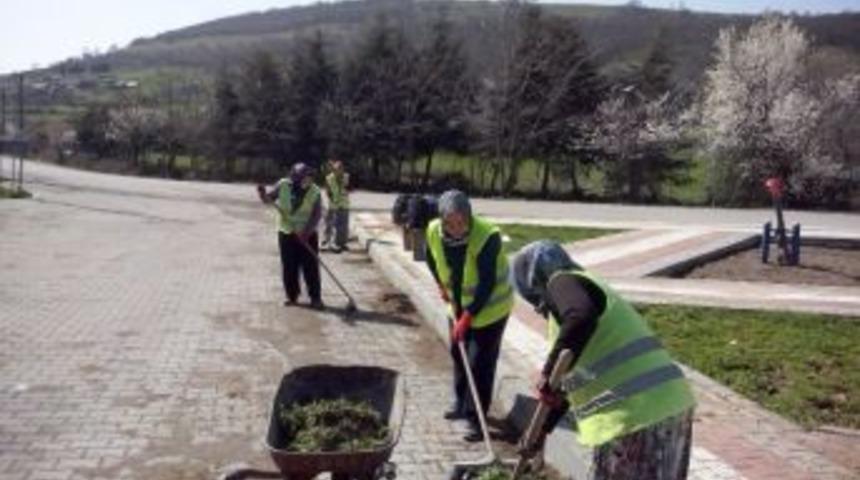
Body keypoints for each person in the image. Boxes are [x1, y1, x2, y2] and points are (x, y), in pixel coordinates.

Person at [511, 240, 696, 480]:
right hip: (668, 407)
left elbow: (580, 317)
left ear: (532, 280)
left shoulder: (562, 280)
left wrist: (546, 375)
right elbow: (572, 381)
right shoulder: (585, 291)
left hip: (635, 417)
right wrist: (541, 431)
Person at [424, 190, 514, 443]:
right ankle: (460, 402)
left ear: (469, 217)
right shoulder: (434, 230)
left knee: (479, 364)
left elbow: (486, 282)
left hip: (492, 309)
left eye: (460, 222)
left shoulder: (486, 237)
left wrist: (469, 316)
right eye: (449, 223)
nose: (455, 229)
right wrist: (440, 286)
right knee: (458, 352)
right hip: (457, 306)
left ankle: (477, 420)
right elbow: (431, 256)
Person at [256, 163, 324, 310]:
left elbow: (316, 215)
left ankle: (316, 298)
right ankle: (292, 296)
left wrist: (306, 232)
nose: (308, 179)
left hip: (308, 235)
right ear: (295, 178)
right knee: (289, 266)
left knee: (310, 267)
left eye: (309, 176)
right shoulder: (283, 185)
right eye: (304, 177)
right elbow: (269, 200)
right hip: (286, 233)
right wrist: (262, 194)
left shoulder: (315, 191)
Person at [322, 159, 351, 252]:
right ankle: (328, 241)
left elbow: (350, 188)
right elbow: (327, 191)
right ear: (334, 169)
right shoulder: (329, 178)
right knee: (331, 224)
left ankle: (342, 243)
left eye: (341, 168)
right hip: (333, 205)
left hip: (344, 204)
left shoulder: (346, 177)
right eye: (337, 169)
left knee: (343, 225)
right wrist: (332, 200)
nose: (339, 170)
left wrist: (347, 188)